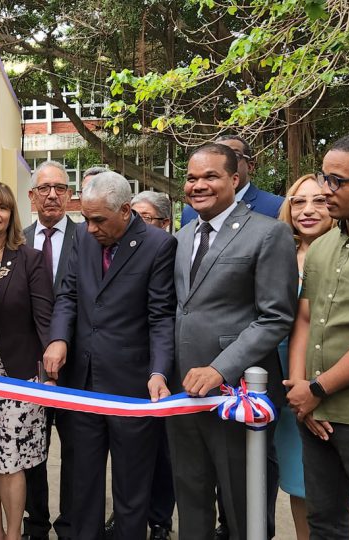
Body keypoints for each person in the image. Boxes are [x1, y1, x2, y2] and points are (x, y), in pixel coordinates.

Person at [168, 143, 297, 540]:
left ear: (235, 179)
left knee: (243, 504)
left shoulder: (269, 232)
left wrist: (219, 368)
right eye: (192, 178)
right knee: (191, 497)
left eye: (210, 176)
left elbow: (275, 317)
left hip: (236, 392)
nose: (198, 185)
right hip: (183, 392)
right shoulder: (183, 234)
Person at [44, 171, 177, 540]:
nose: (90, 228)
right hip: (82, 385)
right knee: (82, 486)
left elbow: (161, 317)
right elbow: (68, 296)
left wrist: (159, 372)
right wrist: (59, 339)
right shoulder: (83, 240)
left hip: (132, 388)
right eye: (85, 218)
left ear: (124, 210)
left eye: (98, 220)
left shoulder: (157, 245)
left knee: (131, 491)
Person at [0, 181, 53, 540]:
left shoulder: (29, 259)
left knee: (10, 461)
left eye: (1, 207)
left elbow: (45, 318)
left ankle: (14, 534)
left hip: (16, 378)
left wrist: (50, 372)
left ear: (11, 215)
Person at [273, 173, 349, 539]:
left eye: (332, 186)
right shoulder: (310, 249)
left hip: (341, 400)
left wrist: (315, 389)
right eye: (298, 200)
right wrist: (299, 392)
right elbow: (303, 321)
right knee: (317, 507)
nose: (319, 198)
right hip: (303, 400)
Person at [22, 161, 76, 540]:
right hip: (27, 365)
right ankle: (36, 523)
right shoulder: (17, 240)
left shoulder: (89, 238)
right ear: (31, 196)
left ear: (70, 196)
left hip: (76, 365)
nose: (52, 194)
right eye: (44, 188)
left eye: (60, 187)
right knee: (32, 452)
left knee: (76, 451)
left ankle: (71, 525)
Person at [129, 190, 176, 540]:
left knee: (163, 451)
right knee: (132, 453)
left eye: (144, 218)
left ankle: (160, 519)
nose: (136, 225)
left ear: (164, 223)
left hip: (167, 363)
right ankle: (130, 514)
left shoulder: (173, 250)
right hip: (129, 365)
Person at [181, 135, 284, 227]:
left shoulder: (277, 206)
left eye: (235, 156)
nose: (227, 161)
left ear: (250, 166)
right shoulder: (190, 212)